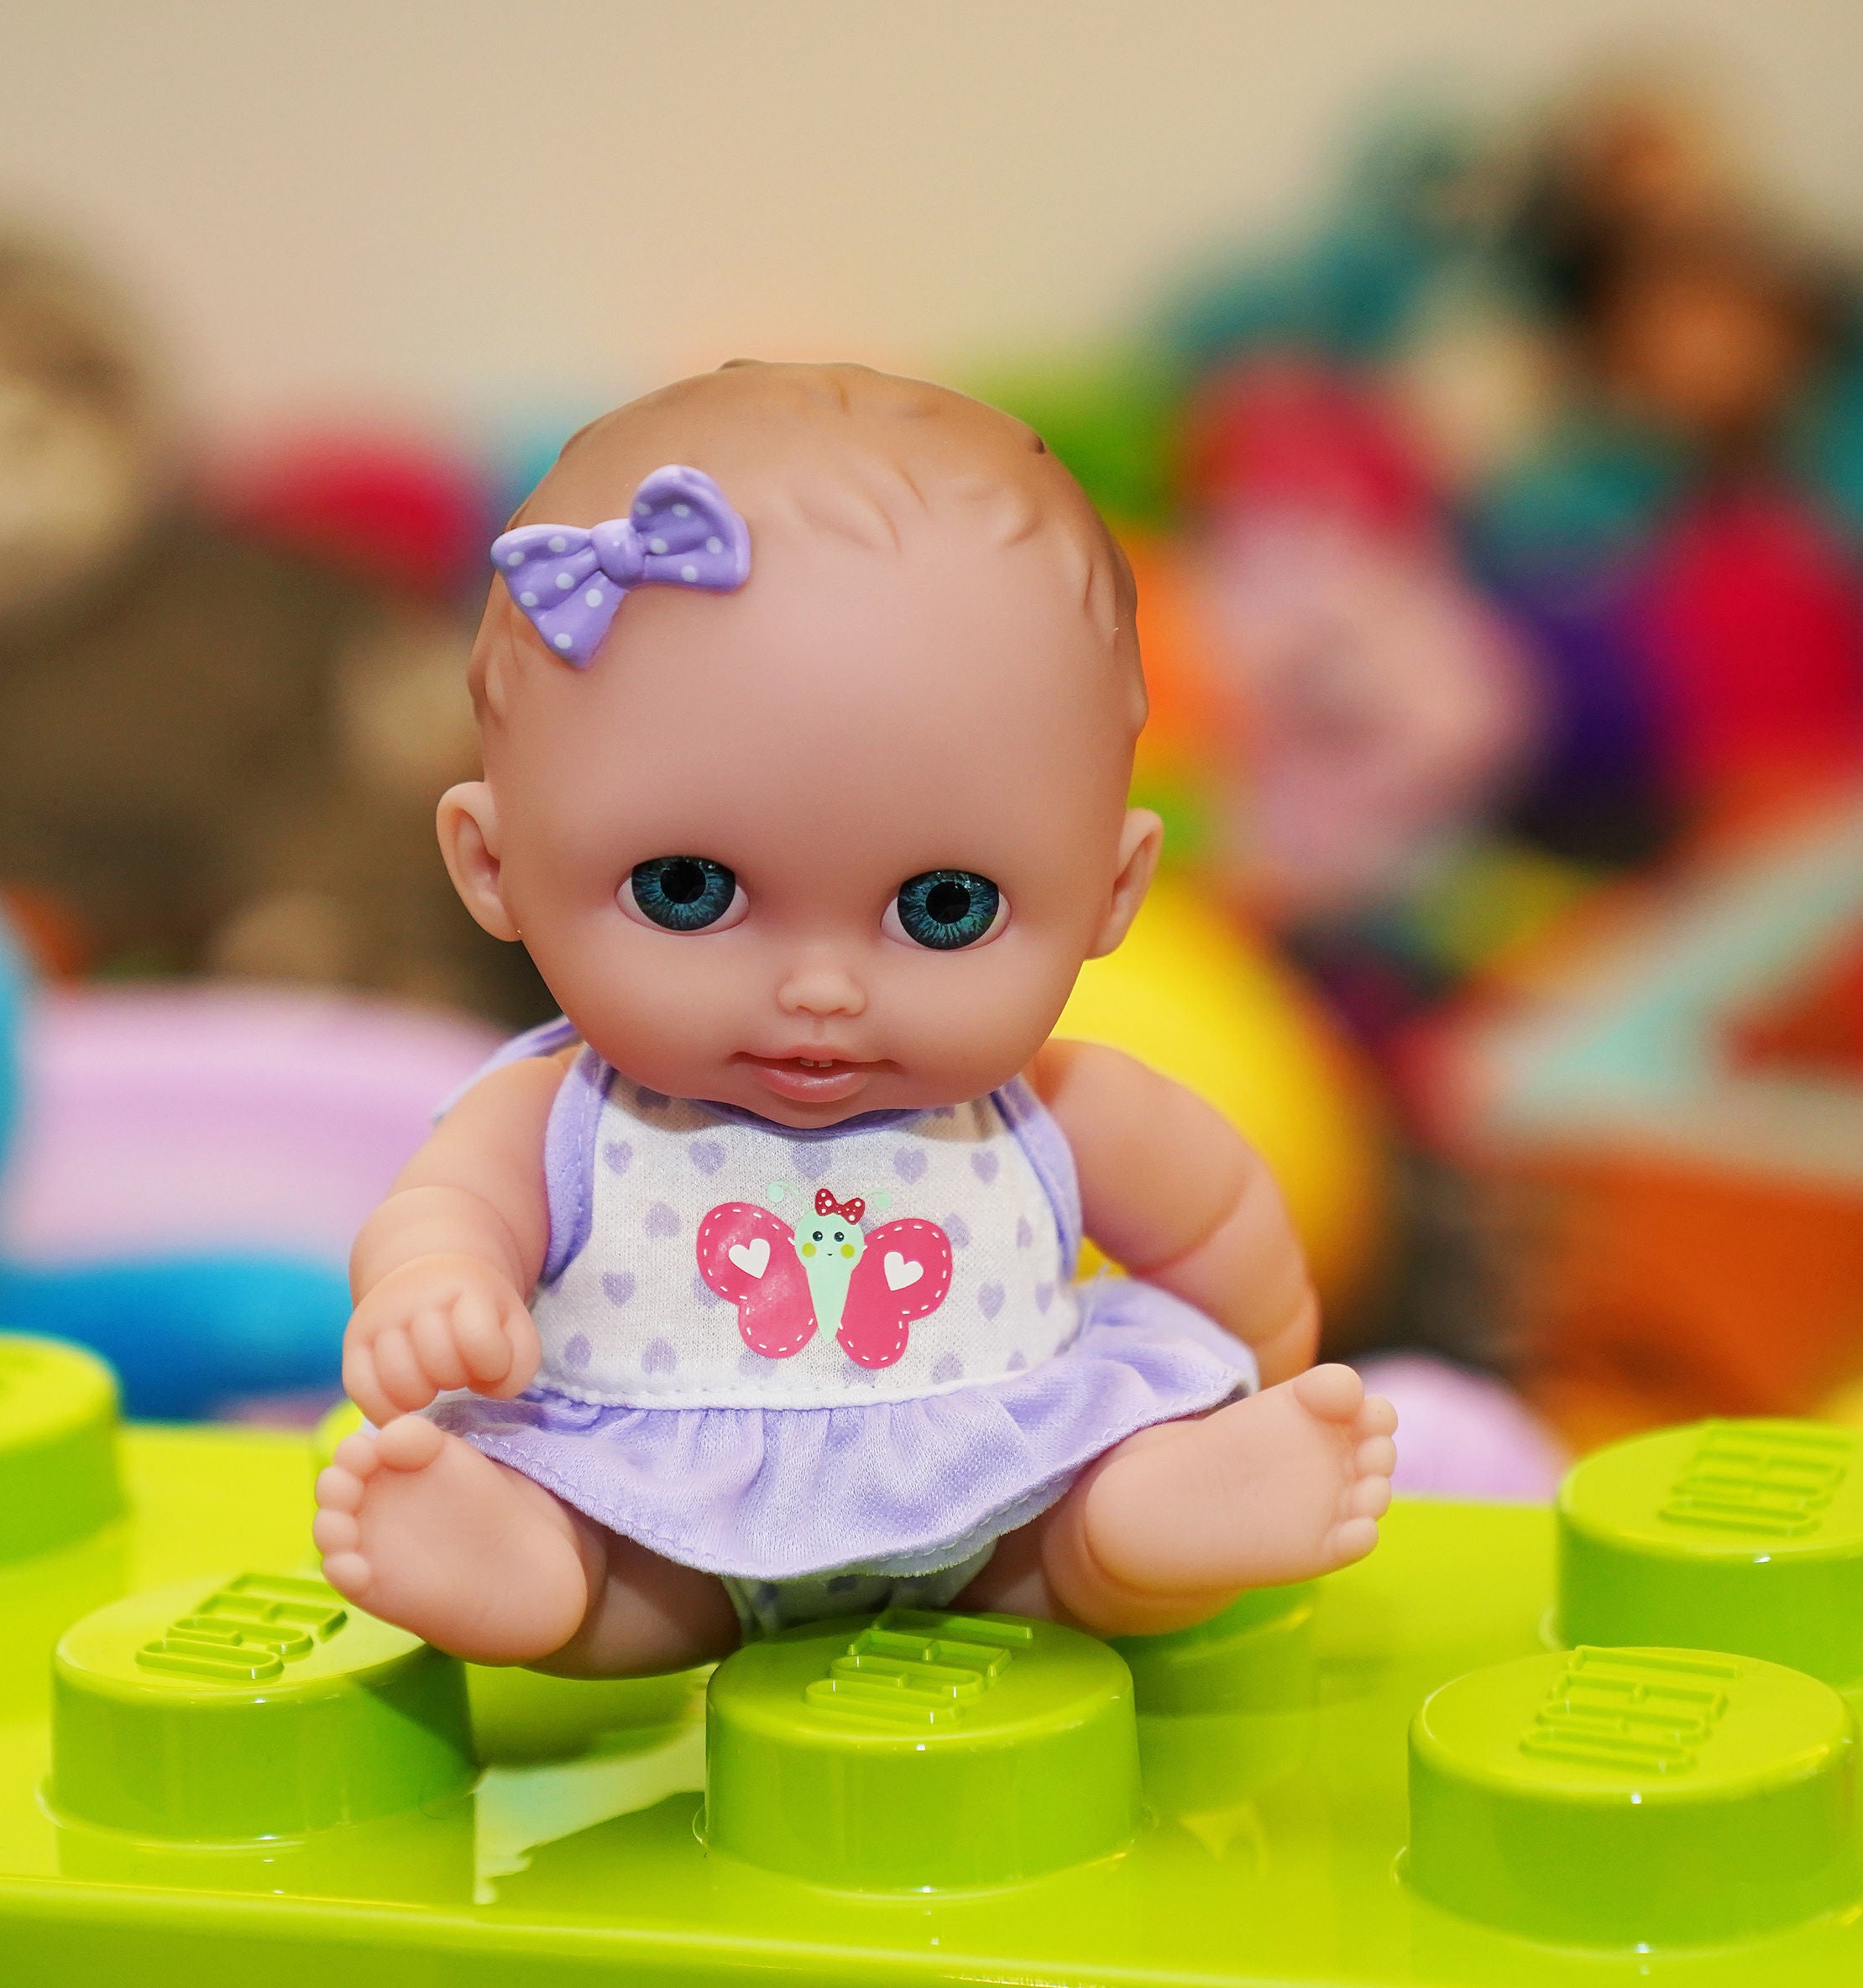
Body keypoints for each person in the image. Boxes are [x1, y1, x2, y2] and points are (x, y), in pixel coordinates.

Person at [313, 363, 1395, 1672]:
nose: (819, 989)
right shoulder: (559, 1118)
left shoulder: (1064, 1109)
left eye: (943, 908)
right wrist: (438, 1285)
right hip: (666, 1501)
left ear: (1111, 890)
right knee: (620, 1591)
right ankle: (531, 1576)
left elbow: (1221, 1219)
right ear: (494, 865)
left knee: (1078, 1557)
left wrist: (1260, 1378)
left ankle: (1158, 1521)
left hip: (1009, 1483)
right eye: (688, 892)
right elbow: (448, 1211)